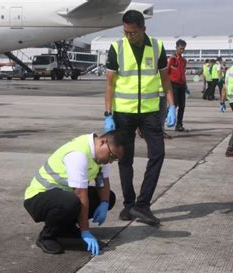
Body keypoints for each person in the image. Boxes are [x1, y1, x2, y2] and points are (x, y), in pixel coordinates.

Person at [103, 10, 176, 226]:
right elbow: (110, 83)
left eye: (133, 33)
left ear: (143, 29)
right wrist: (108, 113)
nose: (129, 36)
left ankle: (142, 205)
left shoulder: (157, 47)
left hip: (150, 112)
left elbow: (165, 79)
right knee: (125, 159)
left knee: (158, 154)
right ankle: (129, 205)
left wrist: (172, 105)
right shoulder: (117, 47)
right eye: (126, 32)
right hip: (123, 112)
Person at [24, 131, 125, 255]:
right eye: (112, 156)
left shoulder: (100, 155)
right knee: (72, 202)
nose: (110, 161)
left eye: (115, 159)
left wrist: (104, 203)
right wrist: (85, 231)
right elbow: (81, 195)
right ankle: (47, 236)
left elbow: (103, 180)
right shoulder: (79, 154)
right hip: (38, 197)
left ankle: (67, 228)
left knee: (109, 197)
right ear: (102, 142)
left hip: (64, 196)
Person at [167, 39, 187, 131]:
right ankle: (167, 118)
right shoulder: (172, 59)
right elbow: (166, 72)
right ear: (176, 48)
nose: (182, 51)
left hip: (182, 85)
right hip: (173, 85)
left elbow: (183, 73)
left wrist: (186, 86)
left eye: (183, 49)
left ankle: (179, 124)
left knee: (182, 106)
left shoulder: (183, 61)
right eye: (180, 48)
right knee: (173, 105)